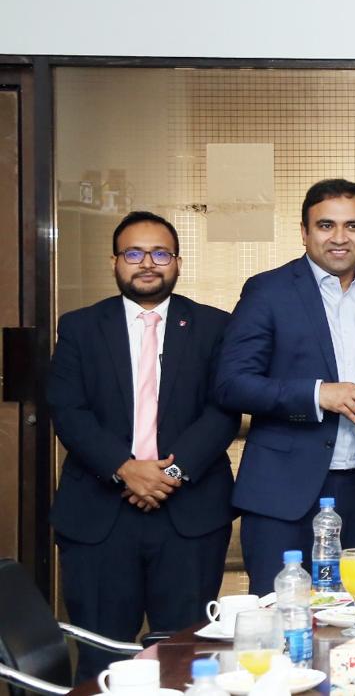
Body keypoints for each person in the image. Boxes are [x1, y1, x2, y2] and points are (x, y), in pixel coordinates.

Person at [48, 211, 240, 681]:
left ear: (178, 262)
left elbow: (223, 410)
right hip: (100, 519)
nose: (147, 263)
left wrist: (167, 474)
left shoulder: (214, 326)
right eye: (134, 253)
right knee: (102, 660)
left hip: (189, 518)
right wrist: (124, 468)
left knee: (187, 657)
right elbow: (68, 410)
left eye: (160, 253)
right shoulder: (79, 327)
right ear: (114, 261)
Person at [216, 179, 355, 594]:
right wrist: (318, 394)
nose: (340, 238)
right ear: (304, 232)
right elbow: (232, 384)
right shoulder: (268, 290)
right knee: (280, 614)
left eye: (353, 226)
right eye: (326, 225)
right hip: (283, 492)